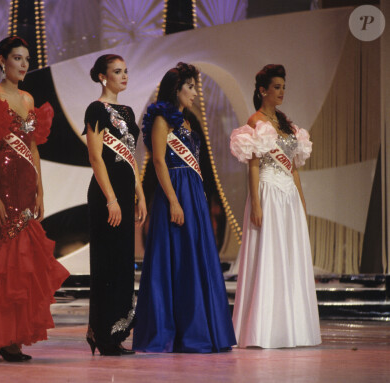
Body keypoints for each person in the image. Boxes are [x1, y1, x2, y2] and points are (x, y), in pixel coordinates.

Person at [0, 36, 69, 362]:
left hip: (26, 184)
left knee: (24, 262)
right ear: (1, 61)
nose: (23, 64)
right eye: (17, 58)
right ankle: (1, 338)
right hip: (4, 183)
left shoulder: (27, 97)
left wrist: (40, 189)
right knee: (7, 260)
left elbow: (34, 146)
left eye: (27, 58)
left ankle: (12, 338)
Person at [132, 63, 236, 353]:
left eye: (193, 85)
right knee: (176, 261)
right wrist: (174, 201)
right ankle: (176, 333)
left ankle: (203, 329)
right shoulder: (162, 120)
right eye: (189, 86)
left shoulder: (189, 121)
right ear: (176, 90)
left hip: (194, 194)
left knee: (196, 259)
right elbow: (158, 162)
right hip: (174, 193)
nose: (194, 91)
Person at [230, 64, 321, 348]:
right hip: (267, 192)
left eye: (283, 87)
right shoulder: (255, 121)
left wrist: (301, 203)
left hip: (288, 196)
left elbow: (293, 169)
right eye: (277, 87)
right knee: (268, 255)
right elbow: (253, 167)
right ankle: (262, 329)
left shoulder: (285, 123)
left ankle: (292, 329)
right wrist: (255, 202)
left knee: (290, 256)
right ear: (262, 90)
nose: (282, 92)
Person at [83, 54, 147, 356]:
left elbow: (131, 157)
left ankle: (116, 332)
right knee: (107, 263)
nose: (124, 76)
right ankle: (102, 333)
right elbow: (96, 157)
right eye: (117, 72)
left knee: (123, 264)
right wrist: (111, 199)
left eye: (126, 71)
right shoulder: (96, 109)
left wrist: (140, 194)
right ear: (102, 77)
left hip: (125, 192)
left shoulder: (129, 111)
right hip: (105, 196)